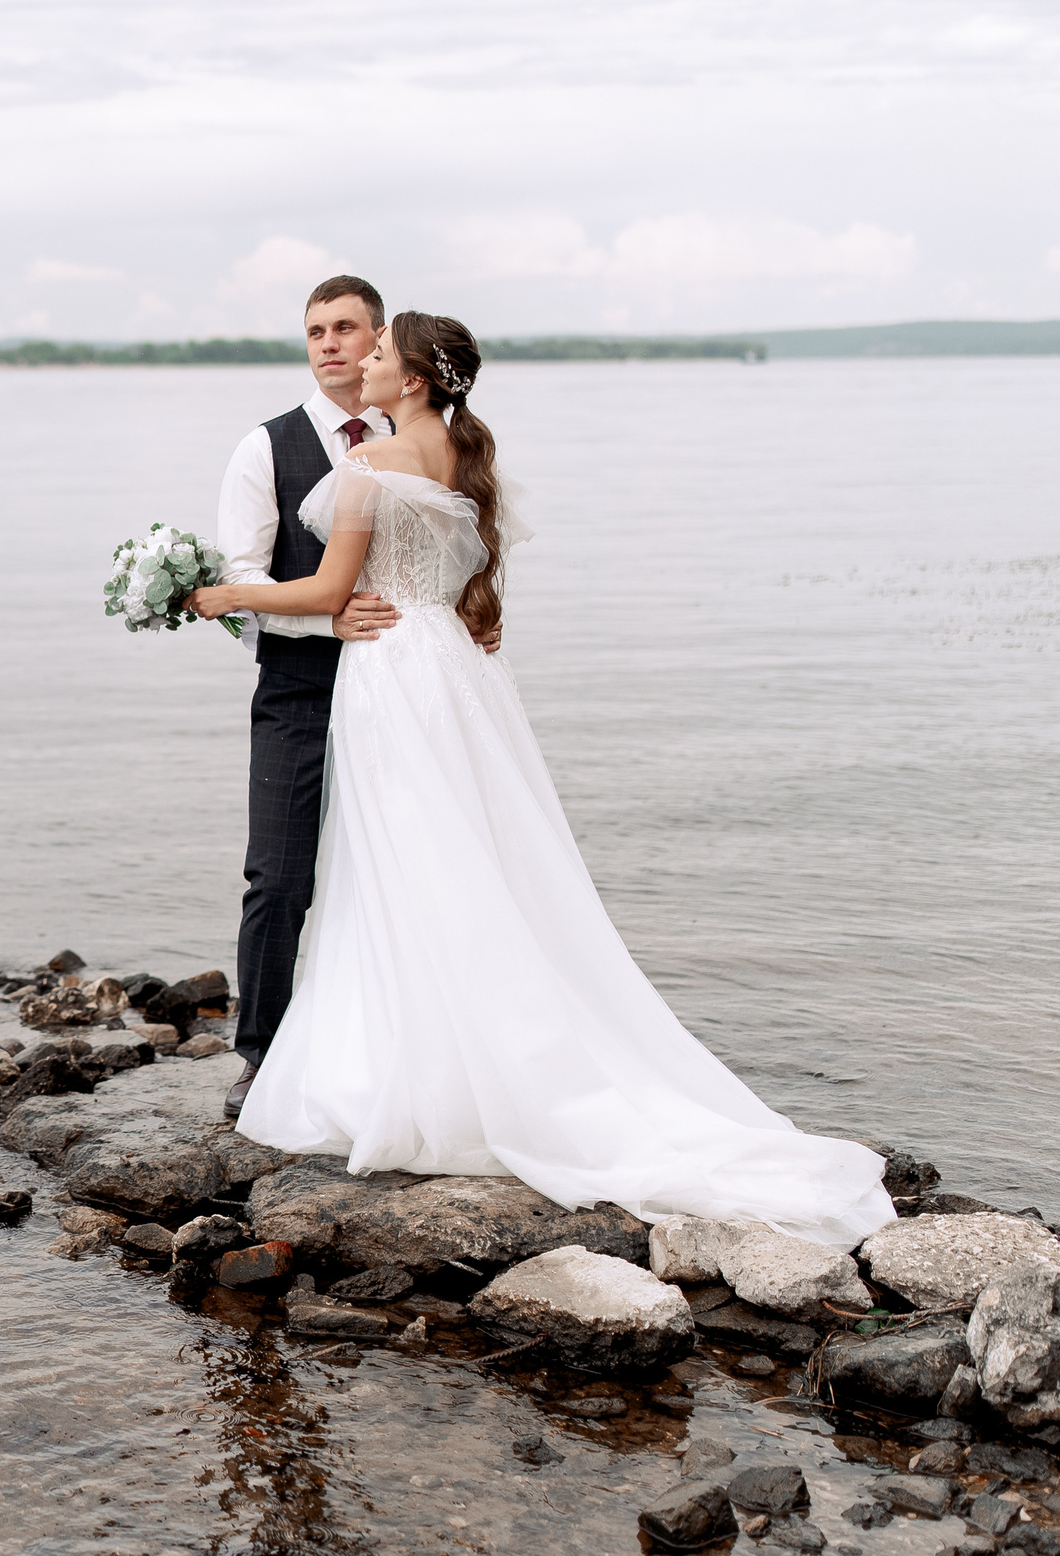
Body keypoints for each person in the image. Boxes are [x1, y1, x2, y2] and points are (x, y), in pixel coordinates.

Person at [189, 312, 893, 1247]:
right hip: (455, 671)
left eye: (377, 353)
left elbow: (325, 595)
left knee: (406, 865)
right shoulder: (465, 454)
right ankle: (475, 1045)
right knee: (469, 857)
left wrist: (225, 593)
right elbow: (474, 586)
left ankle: (424, 1068)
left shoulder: (369, 467)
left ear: (411, 379)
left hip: (393, 673)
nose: (358, 363)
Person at [210, 276, 498, 1121]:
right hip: (303, 693)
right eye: (316, 331)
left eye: (351, 332)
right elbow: (246, 576)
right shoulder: (264, 448)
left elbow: (466, 556)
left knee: (411, 868)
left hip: (405, 693)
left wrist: (478, 614)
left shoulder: (411, 441)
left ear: (386, 347)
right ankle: (260, 1055)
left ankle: (412, 1049)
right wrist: (330, 624)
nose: (333, 345)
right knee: (282, 880)